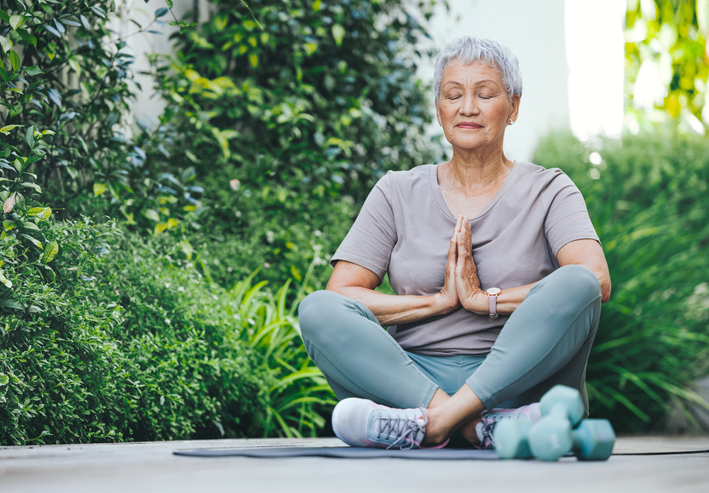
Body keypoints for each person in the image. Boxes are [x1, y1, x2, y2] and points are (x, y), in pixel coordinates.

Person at [298, 36, 611, 450]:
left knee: (578, 283)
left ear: (513, 107)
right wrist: (439, 301)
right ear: (439, 108)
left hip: (519, 385)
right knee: (318, 307)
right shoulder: (396, 191)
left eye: (485, 94)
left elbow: (596, 281)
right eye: (453, 95)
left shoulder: (550, 189)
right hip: (411, 382)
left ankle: (431, 426)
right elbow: (344, 293)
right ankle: (477, 427)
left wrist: (485, 300)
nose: (467, 108)